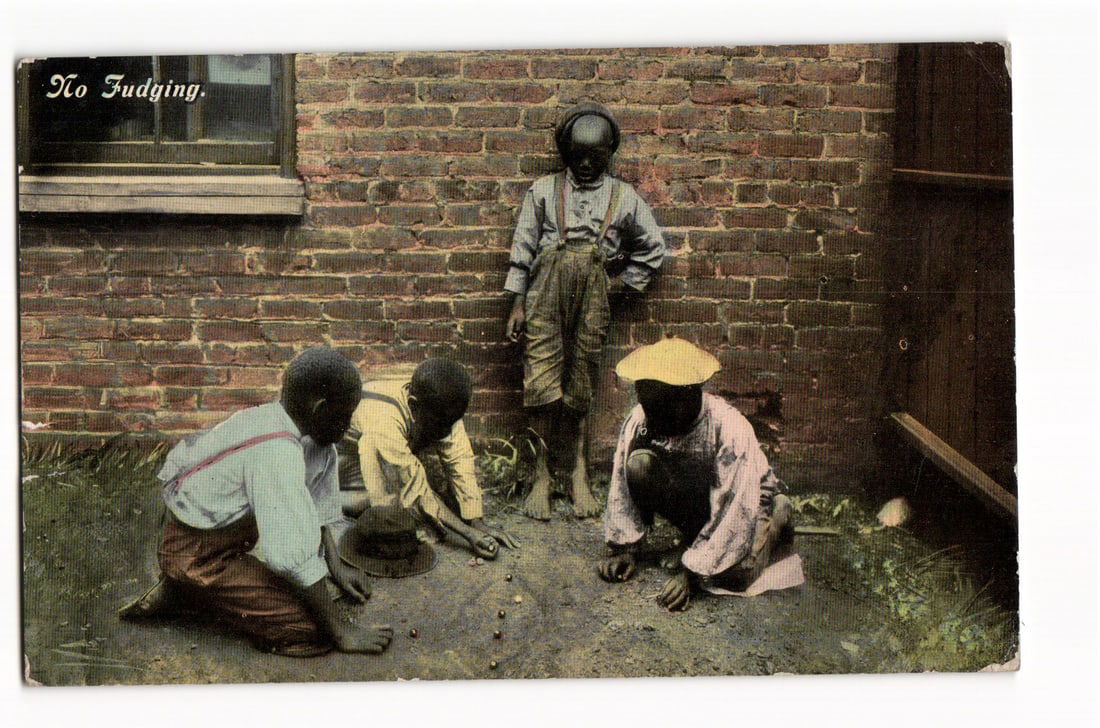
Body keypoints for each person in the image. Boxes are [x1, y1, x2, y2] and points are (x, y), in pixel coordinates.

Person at [119, 347, 393, 657]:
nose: (349, 423)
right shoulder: (276, 452)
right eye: (346, 413)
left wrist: (336, 566)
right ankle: (190, 590)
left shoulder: (293, 428)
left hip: (219, 531)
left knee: (310, 591)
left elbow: (313, 505)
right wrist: (343, 631)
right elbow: (289, 553)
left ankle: (190, 587)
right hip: (193, 550)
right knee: (310, 631)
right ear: (319, 408)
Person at [503, 101, 666, 521]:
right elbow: (522, 249)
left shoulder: (623, 198)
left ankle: (576, 473)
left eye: (597, 157)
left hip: (594, 294)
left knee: (580, 383)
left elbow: (653, 248)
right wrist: (518, 302)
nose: (588, 165)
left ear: (609, 154)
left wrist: (620, 285)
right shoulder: (542, 191)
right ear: (566, 155)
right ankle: (540, 474)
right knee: (540, 382)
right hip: (544, 293)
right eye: (579, 158)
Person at [598, 338, 793, 612]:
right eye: (646, 406)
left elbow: (733, 507)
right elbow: (622, 481)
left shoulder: (730, 428)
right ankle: (695, 541)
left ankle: (778, 516)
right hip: (697, 493)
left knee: (734, 576)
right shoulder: (641, 418)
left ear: (687, 399)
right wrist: (625, 548)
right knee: (639, 464)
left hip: (747, 499)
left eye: (659, 411)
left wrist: (692, 575)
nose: (650, 419)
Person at [337, 358, 518, 560]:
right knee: (390, 512)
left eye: (451, 423)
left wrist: (476, 521)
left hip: (379, 457)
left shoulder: (441, 402)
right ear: (413, 406)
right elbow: (415, 489)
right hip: (343, 473)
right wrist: (469, 535)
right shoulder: (384, 421)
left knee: (418, 507)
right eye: (440, 425)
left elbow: (459, 458)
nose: (446, 432)